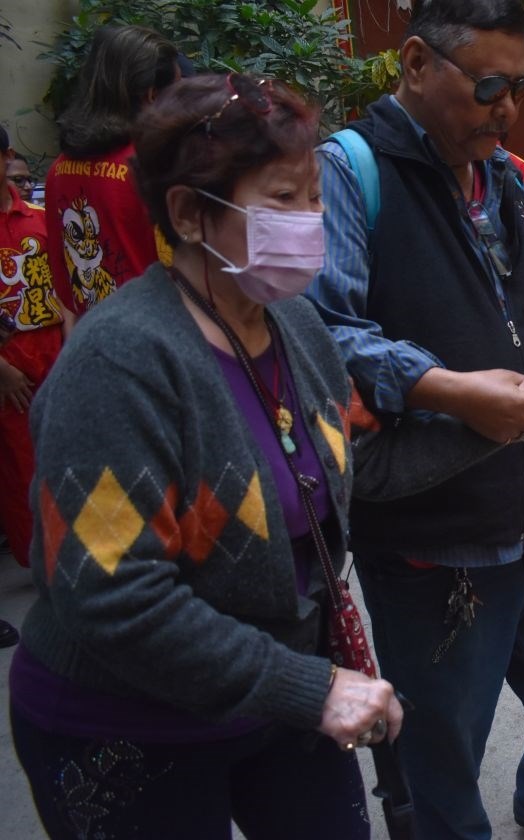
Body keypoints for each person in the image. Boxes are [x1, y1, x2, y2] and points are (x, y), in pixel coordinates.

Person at [9, 73, 403, 840]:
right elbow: (113, 596)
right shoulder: (120, 362)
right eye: (283, 199)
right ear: (190, 213)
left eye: (315, 197)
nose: (312, 221)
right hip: (125, 725)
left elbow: (337, 476)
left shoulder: (296, 328)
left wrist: (507, 422)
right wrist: (306, 687)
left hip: (275, 699)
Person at [304, 3, 524, 838]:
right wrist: (449, 390)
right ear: (417, 63)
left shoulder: (507, 174)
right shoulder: (348, 172)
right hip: (433, 534)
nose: (507, 110)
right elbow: (324, 332)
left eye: (518, 89)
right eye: (489, 87)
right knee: (444, 736)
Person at [44, 25, 180, 330]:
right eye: (177, 89)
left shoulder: (58, 170)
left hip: (95, 334)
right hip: (157, 337)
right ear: (151, 95)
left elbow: (63, 283)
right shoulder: (154, 166)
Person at [1, 125, 62, 578]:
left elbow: (69, 285)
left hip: (55, 351)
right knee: (22, 471)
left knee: (66, 457)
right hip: (8, 370)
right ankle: (43, 566)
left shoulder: (41, 217)